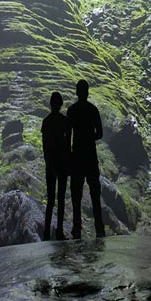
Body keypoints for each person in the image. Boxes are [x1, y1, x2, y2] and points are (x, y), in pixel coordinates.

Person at [67, 79, 105, 238]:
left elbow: (68, 135)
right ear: (87, 92)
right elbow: (100, 133)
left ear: (77, 92)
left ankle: (77, 229)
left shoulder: (72, 110)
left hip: (76, 156)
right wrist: (90, 137)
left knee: (76, 194)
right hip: (90, 156)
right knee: (95, 193)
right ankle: (99, 229)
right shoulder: (93, 110)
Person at [40, 91, 70, 241]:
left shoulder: (46, 122)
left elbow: (45, 146)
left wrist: (48, 163)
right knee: (61, 198)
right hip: (62, 163)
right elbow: (68, 144)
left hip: (51, 163)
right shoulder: (65, 121)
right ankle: (59, 231)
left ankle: (46, 232)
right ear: (61, 104)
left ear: (51, 104)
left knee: (51, 199)